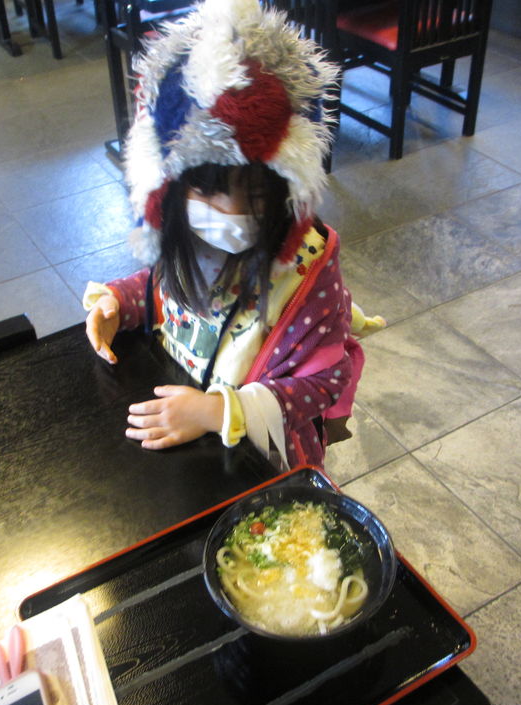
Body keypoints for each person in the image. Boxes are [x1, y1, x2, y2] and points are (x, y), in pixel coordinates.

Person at [83, 0, 383, 469]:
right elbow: (164, 290)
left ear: (286, 189)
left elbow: (325, 381)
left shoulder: (306, 272)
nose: (234, 214)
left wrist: (218, 411)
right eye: (209, 191)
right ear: (169, 191)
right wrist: (119, 303)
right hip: (187, 440)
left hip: (261, 456)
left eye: (256, 194)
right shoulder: (185, 238)